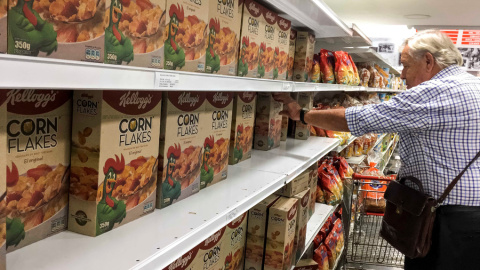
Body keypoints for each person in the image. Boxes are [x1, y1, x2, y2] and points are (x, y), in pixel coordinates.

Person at [274, 29, 480, 270]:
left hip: (446, 219)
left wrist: (303, 114)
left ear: (428, 60)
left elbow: (361, 119)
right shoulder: (473, 84)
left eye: (405, 66)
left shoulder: (434, 91)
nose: (402, 75)